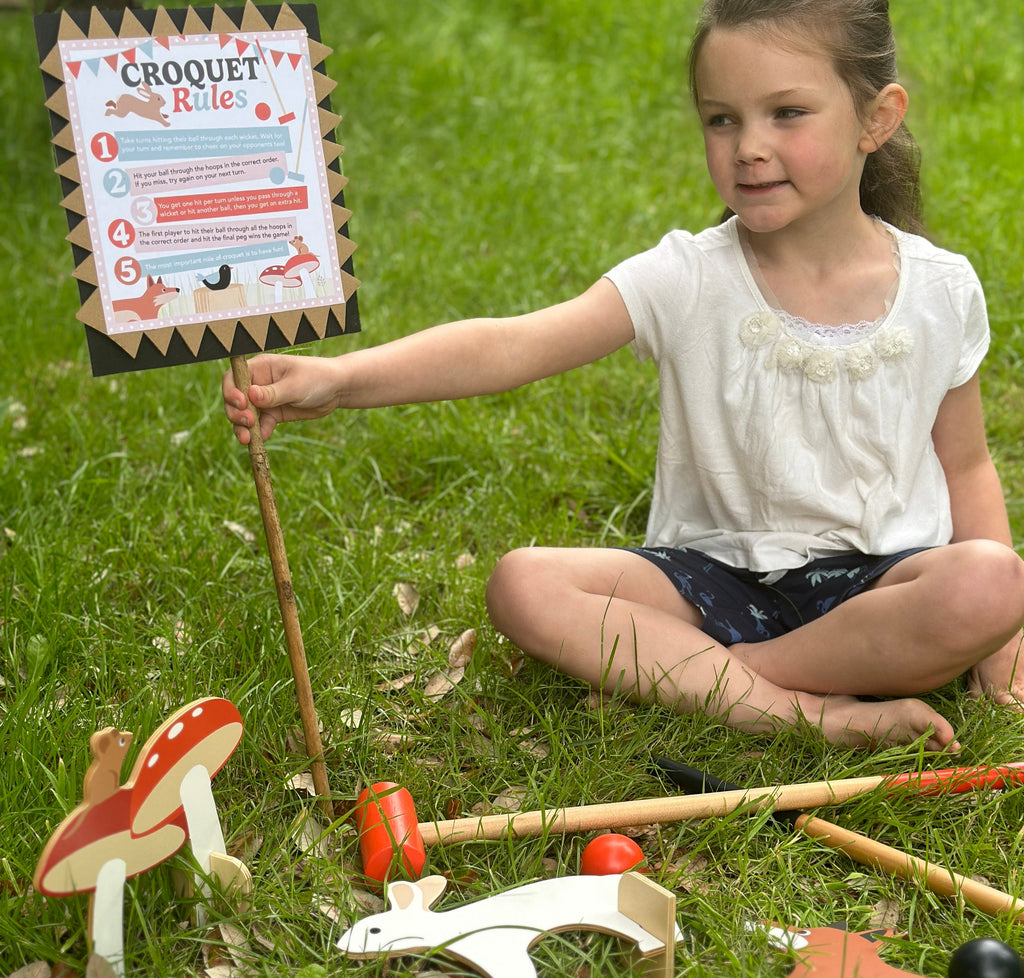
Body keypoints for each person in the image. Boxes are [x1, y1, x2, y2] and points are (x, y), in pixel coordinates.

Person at [224, 0, 1024, 751]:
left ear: (877, 118)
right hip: (711, 581)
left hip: (881, 585)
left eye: (787, 113)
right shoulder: (688, 275)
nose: (748, 145)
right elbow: (513, 345)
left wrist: (1005, 636)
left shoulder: (941, 288)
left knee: (992, 584)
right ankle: (802, 711)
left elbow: (965, 464)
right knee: (524, 586)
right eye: (722, 118)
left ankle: (725, 681)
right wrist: (341, 378)